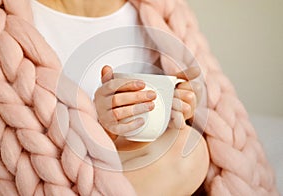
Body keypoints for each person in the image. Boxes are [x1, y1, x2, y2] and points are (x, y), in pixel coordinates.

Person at [31, 0, 209, 195]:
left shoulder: (162, 14)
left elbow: (150, 132)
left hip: (129, 165)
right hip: (52, 166)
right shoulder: (12, 17)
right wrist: (95, 124)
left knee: (189, 150)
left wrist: (179, 105)